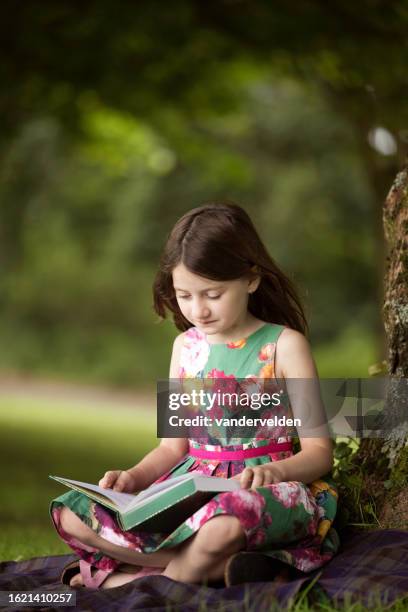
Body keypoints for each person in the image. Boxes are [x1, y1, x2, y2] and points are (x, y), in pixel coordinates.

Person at [51, 202, 339, 589]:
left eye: (212, 294)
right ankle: (206, 568)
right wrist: (132, 478)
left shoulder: (285, 346)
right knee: (72, 513)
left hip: (263, 492)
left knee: (220, 527)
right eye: (184, 295)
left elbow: (320, 452)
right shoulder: (183, 348)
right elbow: (172, 449)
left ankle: (133, 582)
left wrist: (275, 472)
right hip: (189, 490)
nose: (198, 310)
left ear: (251, 279)